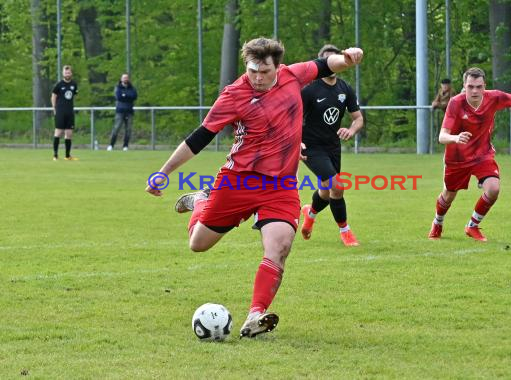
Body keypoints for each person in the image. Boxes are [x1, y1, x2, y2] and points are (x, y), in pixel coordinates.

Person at [146, 37, 363, 338]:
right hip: (240, 181)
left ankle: (255, 314)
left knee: (280, 246)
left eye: (265, 72)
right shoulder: (233, 95)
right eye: (252, 71)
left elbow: (327, 63)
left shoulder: (292, 76)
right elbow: (199, 137)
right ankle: (200, 202)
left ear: (277, 67)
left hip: (281, 184)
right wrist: (164, 172)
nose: (258, 78)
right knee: (198, 244)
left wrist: (348, 58)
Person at [428, 67, 511, 242]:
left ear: (485, 86)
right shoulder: (455, 103)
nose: (474, 90)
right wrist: (456, 137)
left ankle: (472, 226)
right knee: (448, 194)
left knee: (493, 189)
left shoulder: (494, 97)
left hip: (482, 154)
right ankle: (437, 222)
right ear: (464, 86)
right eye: (470, 86)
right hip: (457, 158)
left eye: (478, 86)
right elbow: (441, 137)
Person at [299, 44, 364, 247]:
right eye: (327, 62)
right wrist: (296, 143)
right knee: (337, 186)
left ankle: (310, 214)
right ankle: (345, 231)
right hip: (311, 147)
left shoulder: (345, 89)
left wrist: (351, 130)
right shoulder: (309, 89)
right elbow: (292, 118)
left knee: (326, 192)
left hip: (332, 147)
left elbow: (358, 118)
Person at [51, 65, 79, 160]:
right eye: (65, 72)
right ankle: (55, 155)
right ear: (63, 73)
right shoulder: (59, 85)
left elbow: (74, 96)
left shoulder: (74, 84)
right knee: (58, 132)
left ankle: (67, 156)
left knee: (69, 133)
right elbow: (53, 96)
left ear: (71, 73)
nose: (67, 74)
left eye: (69, 72)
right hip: (60, 112)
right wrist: (54, 108)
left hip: (69, 112)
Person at [107, 73, 138, 151]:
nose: (125, 79)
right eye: (124, 78)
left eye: (126, 78)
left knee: (128, 129)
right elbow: (119, 97)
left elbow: (134, 96)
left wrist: (125, 95)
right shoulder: (118, 88)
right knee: (116, 128)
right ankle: (111, 145)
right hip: (120, 111)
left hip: (129, 111)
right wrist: (127, 96)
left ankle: (125, 146)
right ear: (121, 79)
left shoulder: (132, 88)